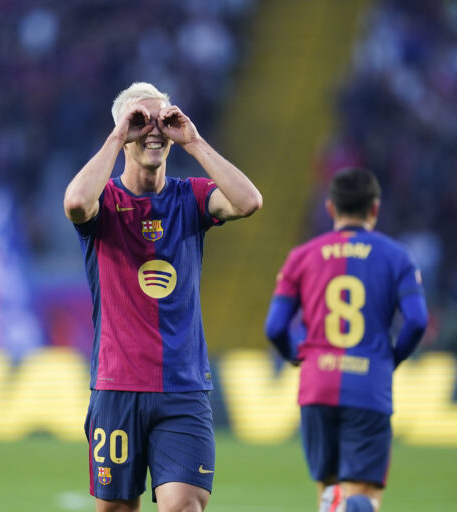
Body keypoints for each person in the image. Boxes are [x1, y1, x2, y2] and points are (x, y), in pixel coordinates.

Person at [64, 82, 262, 512]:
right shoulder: (105, 200)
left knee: (184, 506)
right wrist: (118, 135)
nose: (153, 130)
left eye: (162, 120)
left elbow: (249, 202)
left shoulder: (191, 196)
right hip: (118, 386)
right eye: (141, 121)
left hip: (183, 387)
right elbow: (76, 202)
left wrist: (193, 141)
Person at [264, 168, 429, 512]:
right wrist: (392, 358)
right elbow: (417, 320)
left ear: (330, 208)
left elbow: (275, 327)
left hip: (317, 385)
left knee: (330, 491)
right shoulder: (397, 257)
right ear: (375, 209)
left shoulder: (302, 256)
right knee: (363, 496)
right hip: (369, 383)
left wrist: (296, 356)